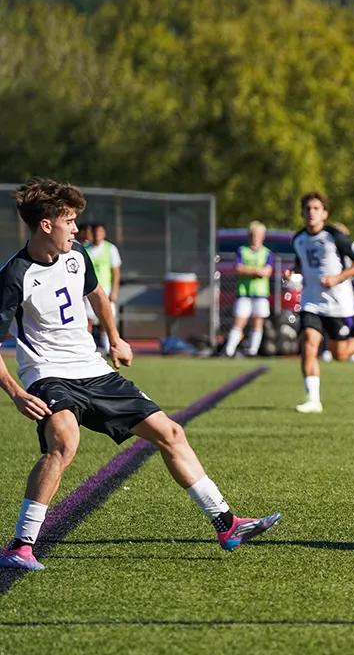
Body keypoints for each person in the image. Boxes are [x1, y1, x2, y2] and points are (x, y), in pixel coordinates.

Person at [0, 178, 280, 570]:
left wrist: (115, 338)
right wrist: (15, 392)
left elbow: (97, 295)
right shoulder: (14, 275)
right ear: (46, 225)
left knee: (171, 433)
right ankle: (21, 545)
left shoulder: (77, 255)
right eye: (69, 221)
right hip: (49, 375)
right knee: (65, 440)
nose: (77, 229)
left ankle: (226, 523)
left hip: (94, 370)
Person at [291, 192, 354, 413]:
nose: (311, 213)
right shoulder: (298, 239)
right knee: (309, 342)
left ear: (324, 213)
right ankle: (313, 399)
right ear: (302, 213)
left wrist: (337, 278)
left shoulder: (335, 236)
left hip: (338, 303)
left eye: (316, 208)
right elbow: (301, 265)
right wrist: (292, 272)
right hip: (311, 301)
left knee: (340, 354)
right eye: (308, 209)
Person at [224, 221, 273, 357]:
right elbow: (239, 269)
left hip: (261, 293)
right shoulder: (242, 250)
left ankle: (252, 351)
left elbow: (267, 271)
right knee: (239, 321)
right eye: (253, 235)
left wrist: (249, 270)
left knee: (257, 323)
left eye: (258, 235)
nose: (255, 238)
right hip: (244, 293)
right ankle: (229, 350)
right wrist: (256, 271)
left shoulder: (266, 253)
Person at [85, 222, 121, 354]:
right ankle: (88, 350)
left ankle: (108, 348)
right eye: (95, 232)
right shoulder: (85, 249)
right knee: (87, 320)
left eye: (100, 232)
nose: (97, 235)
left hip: (105, 289)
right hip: (88, 289)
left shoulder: (110, 249)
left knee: (106, 319)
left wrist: (114, 291)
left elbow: (116, 272)